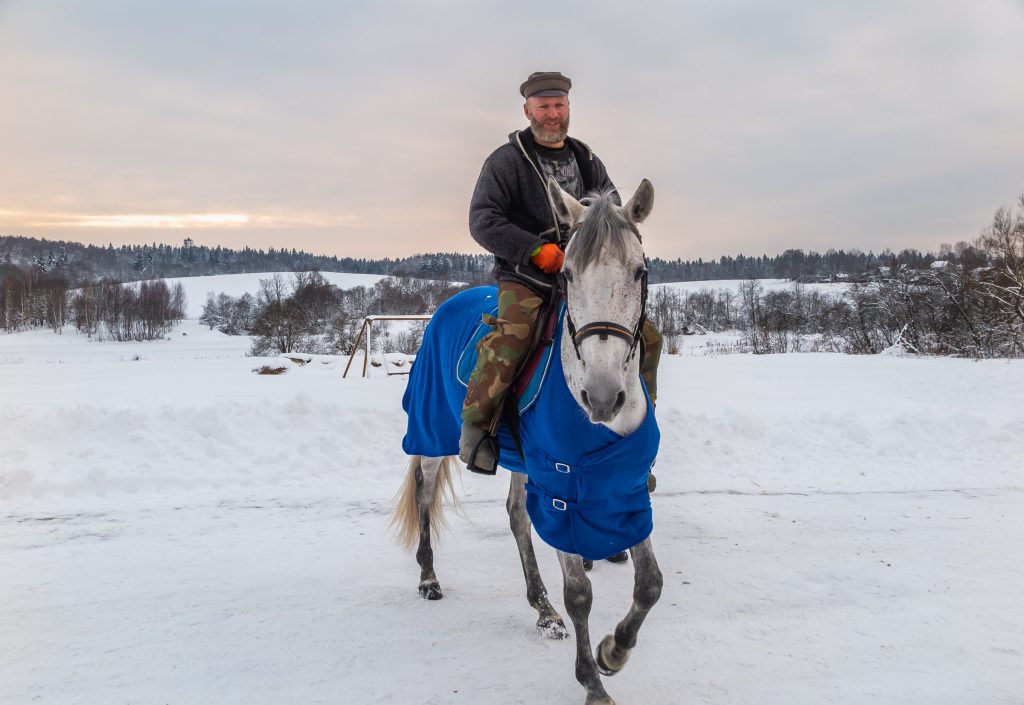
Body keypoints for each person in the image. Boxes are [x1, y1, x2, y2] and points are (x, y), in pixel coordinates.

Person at [459, 71, 663, 495]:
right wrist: (533, 249)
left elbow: (612, 216)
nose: (552, 114)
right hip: (528, 276)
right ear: (528, 110)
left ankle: (636, 433)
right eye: (544, 106)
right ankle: (478, 427)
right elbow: (483, 220)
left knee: (647, 336)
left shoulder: (587, 159)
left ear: (568, 108)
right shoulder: (506, 161)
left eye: (559, 105)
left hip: (584, 278)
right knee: (514, 333)